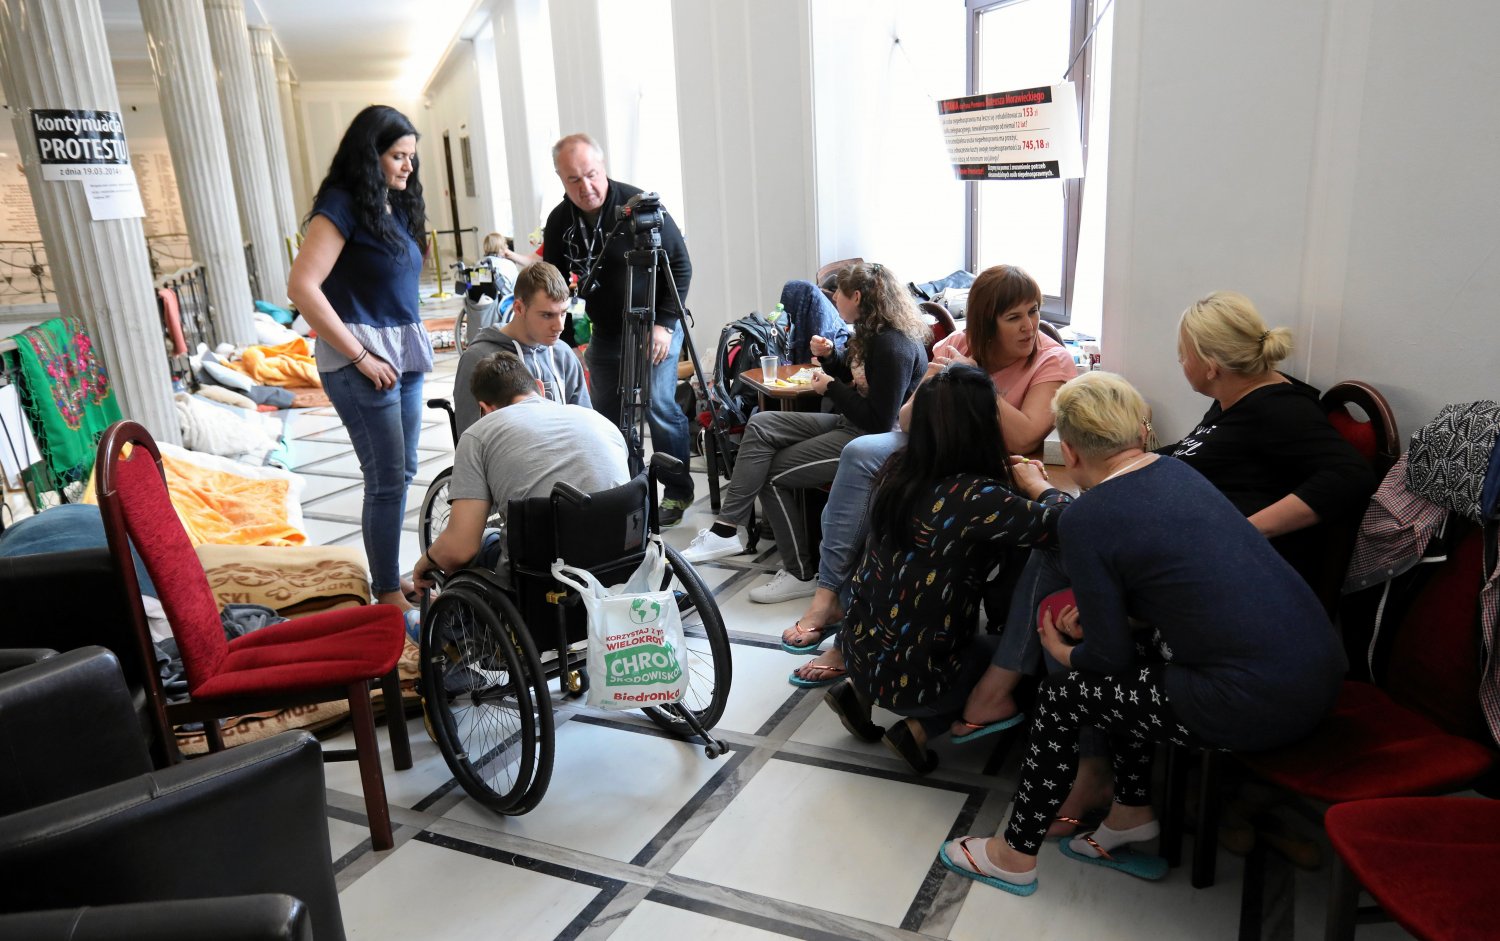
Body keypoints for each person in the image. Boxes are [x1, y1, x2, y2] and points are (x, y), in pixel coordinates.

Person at [938, 371, 1345, 896]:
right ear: (1142, 430)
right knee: (1140, 664)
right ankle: (1130, 812)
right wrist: (1117, 623)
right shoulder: (1180, 474)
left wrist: (1063, 649)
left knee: (1063, 696)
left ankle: (1012, 855)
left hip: (1253, 703)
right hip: (1320, 676)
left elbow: (1106, 657)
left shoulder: (1087, 517)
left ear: (1074, 454)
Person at [784, 264, 1075, 683]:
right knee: (862, 454)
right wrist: (937, 382)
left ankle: (855, 640)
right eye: (1014, 317)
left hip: (995, 464)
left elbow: (1027, 434)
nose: (1030, 326)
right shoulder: (957, 342)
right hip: (938, 453)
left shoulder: (1052, 358)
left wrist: (971, 380)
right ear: (985, 321)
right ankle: (829, 594)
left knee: (909, 509)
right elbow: (905, 420)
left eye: (1033, 311)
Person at [819, 365, 1069, 773]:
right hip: (919, 680)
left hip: (858, 651)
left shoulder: (896, 471)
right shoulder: (978, 496)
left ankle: (857, 693)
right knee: (1016, 656)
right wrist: (1039, 485)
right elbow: (1064, 525)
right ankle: (919, 728)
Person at [680, 262, 929, 584]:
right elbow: (864, 382)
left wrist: (831, 387)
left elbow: (880, 420)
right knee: (762, 423)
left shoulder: (892, 344)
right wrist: (830, 360)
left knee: (770, 475)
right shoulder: (871, 334)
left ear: (856, 296)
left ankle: (799, 574)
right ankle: (727, 529)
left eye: (837, 293)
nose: (833, 299)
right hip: (853, 425)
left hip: (875, 442)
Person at [287, 104, 430, 619]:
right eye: (398, 156)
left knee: (404, 470)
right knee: (386, 478)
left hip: (403, 355)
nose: (408, 167)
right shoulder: (341, 204)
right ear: (369, 156)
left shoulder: (391, 204)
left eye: (411, 156)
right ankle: (386, 588)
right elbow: (302, 288)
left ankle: (390, 576)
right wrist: (361, 355)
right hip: (361, 362)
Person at [1163, 290, 1375, 581]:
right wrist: (1133, 462)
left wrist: (1246, 529)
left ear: (1211, 367)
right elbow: (1198, 447)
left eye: (1183, 356)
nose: (1181, 363)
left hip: (1243, 572)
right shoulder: (1233, 395)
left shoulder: (1281, 409)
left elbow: (1351, 475)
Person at [542, 133, 696, 525]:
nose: (586, 187)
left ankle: (677, 491)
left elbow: (680, 266)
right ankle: (626, 487)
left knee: (659, 406)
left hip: (654, 324)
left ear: (603, 167)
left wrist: (664, 326)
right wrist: (567, 338)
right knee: (606, 415)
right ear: (560, 179)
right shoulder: (560, 221)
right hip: (606, 330)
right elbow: (556, 285)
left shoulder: (641, 207)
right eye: (573, 180)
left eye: (591, 174)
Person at [412, 351, 629, 589]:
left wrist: (427, 561)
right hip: (623, 561)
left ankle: (457, 625)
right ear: (539, 388)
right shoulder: (598, 420)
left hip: (543, 580)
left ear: (484, 409)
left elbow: (460, 548)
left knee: (482, 544)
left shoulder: (479, 434)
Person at [453, 261, 590, 434]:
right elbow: (470, 440)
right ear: (519, 308)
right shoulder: (478, 358)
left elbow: (586, 424)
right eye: (547, 315)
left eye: (563, 313)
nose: (559, 326)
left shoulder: (563, 354)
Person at [477, 231, 521, 295]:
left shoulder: (478, 264)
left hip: (482, 301)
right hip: (504, 302)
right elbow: (517, 289)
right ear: (502, 248)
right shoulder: (509, 265)